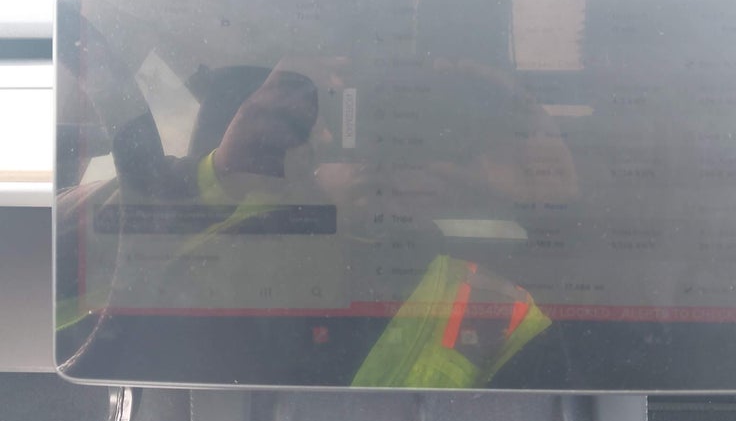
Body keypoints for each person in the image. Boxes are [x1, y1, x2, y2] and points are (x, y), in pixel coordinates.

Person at [57, 55, 579, 388]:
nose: (400, 157)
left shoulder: (498, 314)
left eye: (447, 137)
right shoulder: (198, 202)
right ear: (320, 130)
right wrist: (217, 177)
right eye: (378, 122)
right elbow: (43, 281)